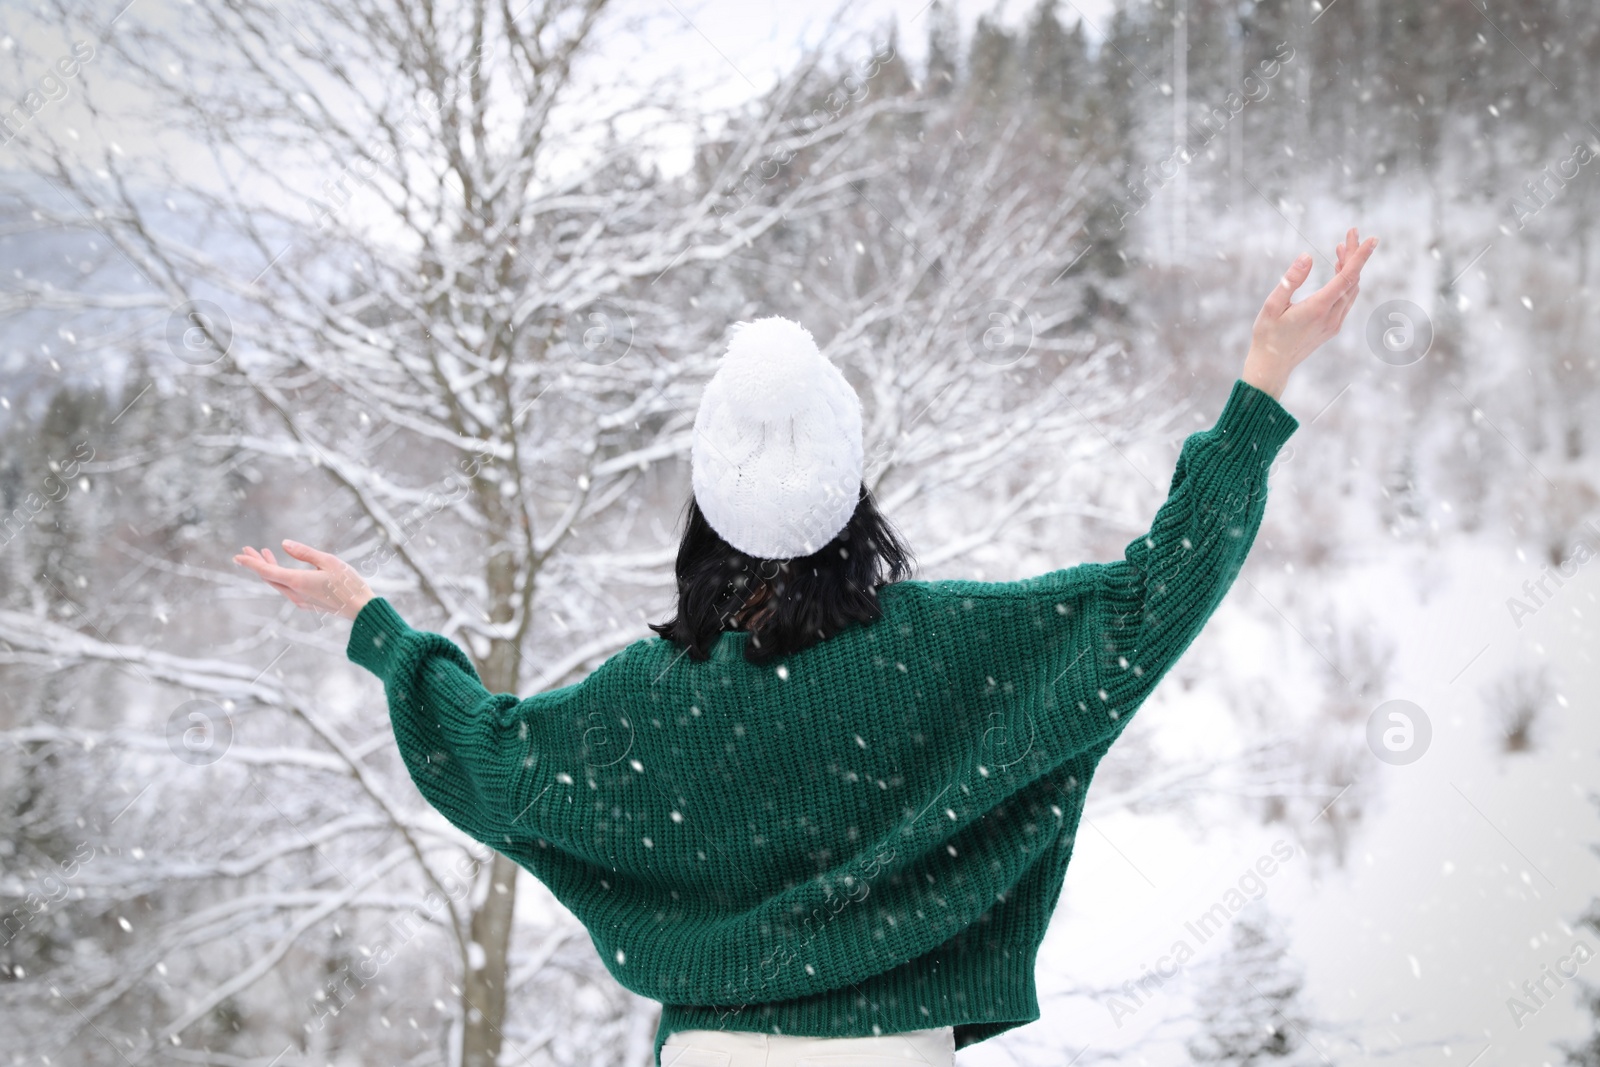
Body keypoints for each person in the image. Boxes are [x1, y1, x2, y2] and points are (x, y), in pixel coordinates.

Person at [235, 230, 1378, 1067]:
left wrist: (374, 626)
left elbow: (485, 762)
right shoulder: (951, 651)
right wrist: (1259, 386)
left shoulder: (644, 703)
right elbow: (1148, 601)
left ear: (706, 507)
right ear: (851, 490)